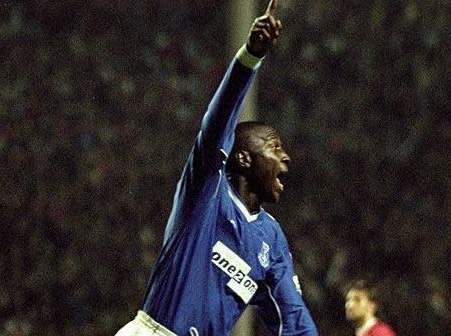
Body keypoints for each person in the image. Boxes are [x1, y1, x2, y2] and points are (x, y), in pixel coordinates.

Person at [116, 1, 318, 335]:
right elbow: (217, 121)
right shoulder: (207, 190)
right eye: (275, 147)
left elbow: (294, 319)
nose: (286, 158)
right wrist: (250, 58)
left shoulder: (271, 240)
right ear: (243, 158)